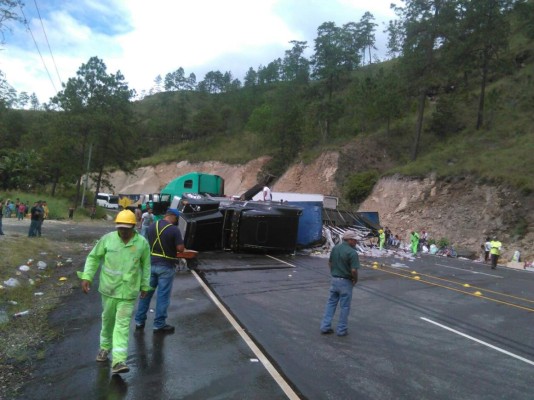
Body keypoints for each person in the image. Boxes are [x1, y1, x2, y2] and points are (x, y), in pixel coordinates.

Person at [77, 210, 151, 374]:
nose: (123, 231)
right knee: (108, 321)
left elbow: (146, 266)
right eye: (120, 228)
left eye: (126, 228)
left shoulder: (142, 243)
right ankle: (104, 348)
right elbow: (93, 257)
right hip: (109, 290)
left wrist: (145, 286)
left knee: (122, 325)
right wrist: (87, 277)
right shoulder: (108, 240)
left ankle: (119, 361)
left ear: (134, 226)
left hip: (129, 292)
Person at [135, 208, 185, 333]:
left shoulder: (152, 226)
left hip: (151, 264)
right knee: (163, 296)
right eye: (176, 218)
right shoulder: (174, 229)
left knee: (145, 294)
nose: (176, 221)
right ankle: (159, 324)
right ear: (172, 216)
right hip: (166, 266)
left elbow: (146, 243)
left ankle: (139, 321)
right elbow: (180, 249)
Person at [320, 230, 360, 337]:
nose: (356, 242)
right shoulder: (352, 253)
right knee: (345, 307)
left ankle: (325, 326)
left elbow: (330, 263)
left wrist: (334, 273)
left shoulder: (335, 248)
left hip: (335, 279)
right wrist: (355, 279)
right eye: (355, 240)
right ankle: (341, 330)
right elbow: (353, 270)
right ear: (350, 240)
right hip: (346, 282)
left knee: (331, 303)